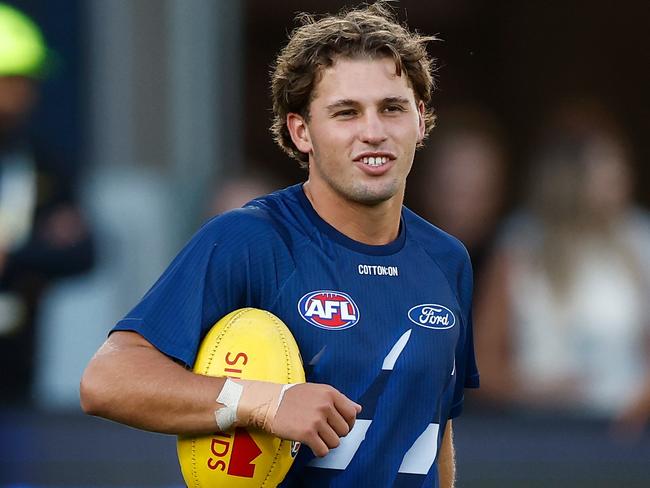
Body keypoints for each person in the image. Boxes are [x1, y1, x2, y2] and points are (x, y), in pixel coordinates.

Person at [80, 3, 479, 487]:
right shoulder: (248, 240)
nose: (373, 132)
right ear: (301, 131)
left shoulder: (447, 260)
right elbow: (107, 381)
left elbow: (437, 435)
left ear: (420, 119)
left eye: (392, 108)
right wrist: (264, 403)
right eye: (346, 113)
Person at [474, 101, 650, 431]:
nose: (620, 180)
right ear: (567, 176)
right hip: (541, 435)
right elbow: (483, 363)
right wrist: (533, 392)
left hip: (625, 434)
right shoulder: (520, 245)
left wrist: (641, 398)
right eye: (606, 170)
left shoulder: (639, 241)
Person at [0, 2, 93, 403]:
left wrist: (13, 256)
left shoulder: (42, 161)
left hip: (16, 367)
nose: (27, 93)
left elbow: (83, 252)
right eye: (15, 81)